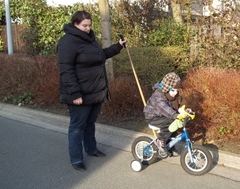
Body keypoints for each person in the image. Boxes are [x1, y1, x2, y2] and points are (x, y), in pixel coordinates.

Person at [57, 10, 126, 171]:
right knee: (77, 126)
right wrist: (75, 93)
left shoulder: (90, 41)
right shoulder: (67, 42)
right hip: (79, 94)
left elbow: (101, 55)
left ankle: (91, 149)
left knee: (90, 123)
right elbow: (66, 70)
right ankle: (76, 159)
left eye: (89, 25)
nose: (88, 28)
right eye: (84, 25)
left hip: (95, 91)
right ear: (75, 24)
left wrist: (118, 47)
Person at [143, 72, 190, 156]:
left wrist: (185, 110)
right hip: (153, 117)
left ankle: (170, 147)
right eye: (173, 90)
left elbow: (179, 103)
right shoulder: (158, 96)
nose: (175, 92)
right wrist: (174, 115)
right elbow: (164, 108)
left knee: (174, 127)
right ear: (167, 88)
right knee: (171, 122)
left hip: (164, 116)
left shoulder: (170, 95)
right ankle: (161, 141)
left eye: (177, 90)